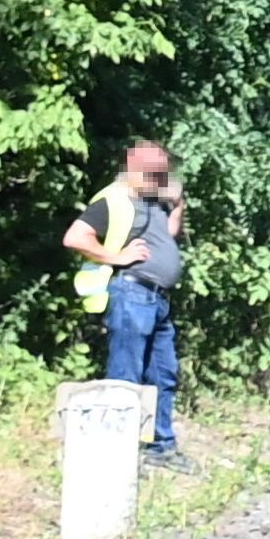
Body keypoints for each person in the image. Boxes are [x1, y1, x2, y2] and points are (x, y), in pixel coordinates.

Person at [61, 138, 189, 465]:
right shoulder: (113, 199)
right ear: (133, 164)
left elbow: (167, 236)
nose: (161, 179)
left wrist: (177, 207)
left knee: (164, 373)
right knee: (125, 377)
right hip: (132, 293)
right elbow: (75, 237)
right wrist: (115, 256)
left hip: (158, 299)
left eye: (163, 173)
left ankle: (161, 447)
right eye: (154, 172)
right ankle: (116, 454)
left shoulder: (153, 200)